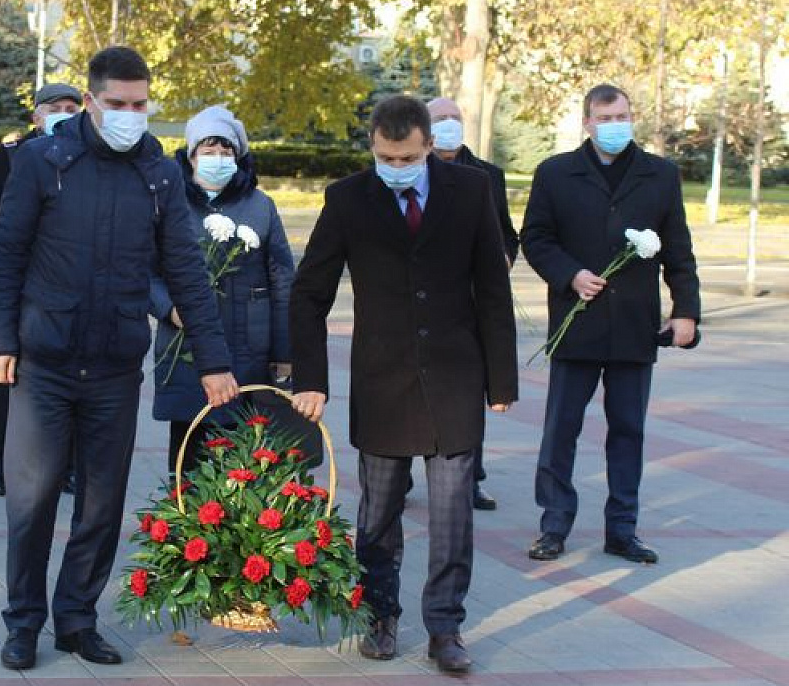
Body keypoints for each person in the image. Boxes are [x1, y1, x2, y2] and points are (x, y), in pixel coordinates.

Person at [0, 46, 239, 671]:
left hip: (116, 365)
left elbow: (183, 266)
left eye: (140, 104)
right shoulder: (45, 161)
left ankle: (76, 619)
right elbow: (6, 254)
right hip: (44, 361)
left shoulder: (157, 171)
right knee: (34, 499)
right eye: (117, 104)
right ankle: (23, 623)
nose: (130, 115)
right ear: (92, 102)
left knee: (101, 504)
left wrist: (214, 358)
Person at [290, 96, 517, 673]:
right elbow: (309, 293)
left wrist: (501, 378)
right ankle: (379, 614)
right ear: (373, 147)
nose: (399, 166)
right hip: (383, 379)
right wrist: (311, 378)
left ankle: (445, 626)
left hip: (454, 378)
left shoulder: (471, 190)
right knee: (379, 513)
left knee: (452, 514)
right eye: (388, 158)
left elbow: (493, 287)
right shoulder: (347, 199)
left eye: (409, 157)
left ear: (427, 146)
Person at [521, 84, 700, 565]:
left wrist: (686, 310)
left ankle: (622, 529)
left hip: (633, 327)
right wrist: (569, 274)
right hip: (576, 325)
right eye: (605, 117)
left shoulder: (659, 174)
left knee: (628, 431)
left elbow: (678, 248)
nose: (614, 124)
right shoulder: (556, 173)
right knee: (561, 429)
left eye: (621, 115)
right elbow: (535, 238)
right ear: (587, 122)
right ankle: (553, 524)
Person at [150, 105, 294, 474]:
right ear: (191, 156)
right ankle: (185, 525)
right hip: (187, 343)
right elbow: (144, 273)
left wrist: (285, 350)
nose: (217, 159)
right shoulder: (169, 202)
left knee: (242, 456)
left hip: (247, 343)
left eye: (226, 151)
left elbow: (281, 280)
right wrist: (170, 309)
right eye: (208, 151)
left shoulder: (260, 206)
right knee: (190, 453)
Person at [0, 82, 83, 498]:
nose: (65, 114)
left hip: (69, 285)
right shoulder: (12, 155)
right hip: (20, 281)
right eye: (56, 107)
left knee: (72, 378)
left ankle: (66, 466)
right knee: (11, 375)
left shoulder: (87, 157)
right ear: (36, 116)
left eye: (72, 107)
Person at [426, 96, 520, 511]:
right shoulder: (416, 171)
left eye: (455, 118)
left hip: (474, 303)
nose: (449, 125)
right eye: (440, 119)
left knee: (468, 392)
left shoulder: (488, 176)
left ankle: (470, 477)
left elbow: (507, 232)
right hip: (430, 300)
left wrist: (503, 257)